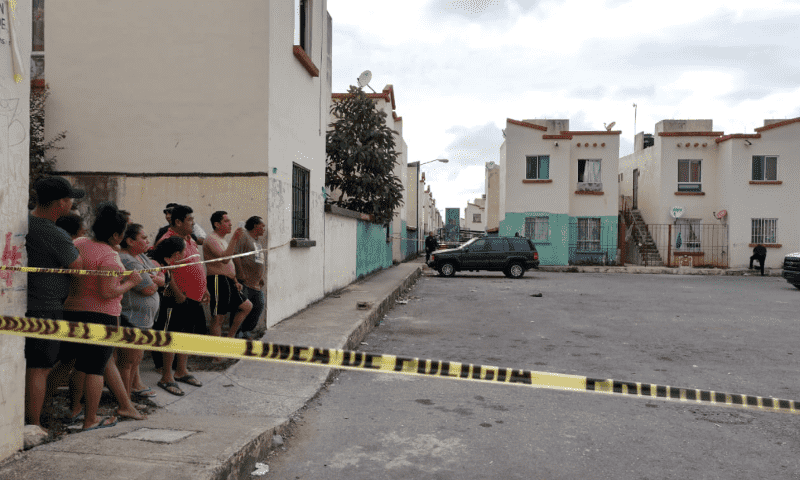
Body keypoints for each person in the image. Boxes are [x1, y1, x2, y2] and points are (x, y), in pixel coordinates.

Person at [61, 202, 142, 431]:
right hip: (101, 316)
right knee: (95, 369)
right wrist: (130, 283)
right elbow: (107, 292)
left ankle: (73, 409)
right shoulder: (109, 256)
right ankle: (91, 419)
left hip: (72, 311)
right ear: (115, 234)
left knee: (78, 365)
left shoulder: (79, 243)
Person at [24, 176, 85, 429]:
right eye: (70, 199)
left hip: (21, 303)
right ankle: (34, 424)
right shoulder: (54, 233)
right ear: (61, 203)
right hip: (45, 307)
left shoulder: (23, 221)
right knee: (40, 367)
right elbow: (78, 267)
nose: (71, 203)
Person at [155, 205, 208, 396]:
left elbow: (196, 263)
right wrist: (177, 292)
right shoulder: (167, 240)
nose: (193, 223)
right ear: (178, 222)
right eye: (189, 220)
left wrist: (205, 288)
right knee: (172, 335)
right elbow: (164, 269)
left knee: (186, 334)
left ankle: (181, 371)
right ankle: (166, 377)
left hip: (193, 297)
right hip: (176, 299)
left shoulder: (190, 239)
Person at [119, 224, 164, 400]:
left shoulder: (141, 257)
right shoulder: (128, 260)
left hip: (143, 319)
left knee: (136, 359)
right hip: (132, 318)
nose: (147, 240)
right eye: (143, 238)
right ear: (130, 241)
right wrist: (157, 282)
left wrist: (158, 280)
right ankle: (126, 398)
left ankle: (132, 390)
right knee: (129, 361)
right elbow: (148, 288)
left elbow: (159, 274)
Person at [204, 211, 252, 347]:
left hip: (229, 281)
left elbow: (229, 262)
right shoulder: (211, 239)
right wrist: (235, 239)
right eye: (226, 221)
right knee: (218, 318)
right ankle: (216, 352)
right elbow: (224, 259)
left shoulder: (223, 240)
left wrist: (235, 280)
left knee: (247, 306)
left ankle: (229, 339)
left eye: (229, 221)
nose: (230, 223)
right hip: (218, 281)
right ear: (217, 224)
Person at [233, 216, 266, 339]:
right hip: (245, 282)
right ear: (255, 226)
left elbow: (258, 259)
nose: (264, 229)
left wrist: (260, 276)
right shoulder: (244, 237)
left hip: (256, 283)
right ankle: (238, 333)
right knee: (242, 308)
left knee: (258, 306)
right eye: (262, 226)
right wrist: (241, 273)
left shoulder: (257, 241)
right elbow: (236, 255)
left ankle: (247, 330)